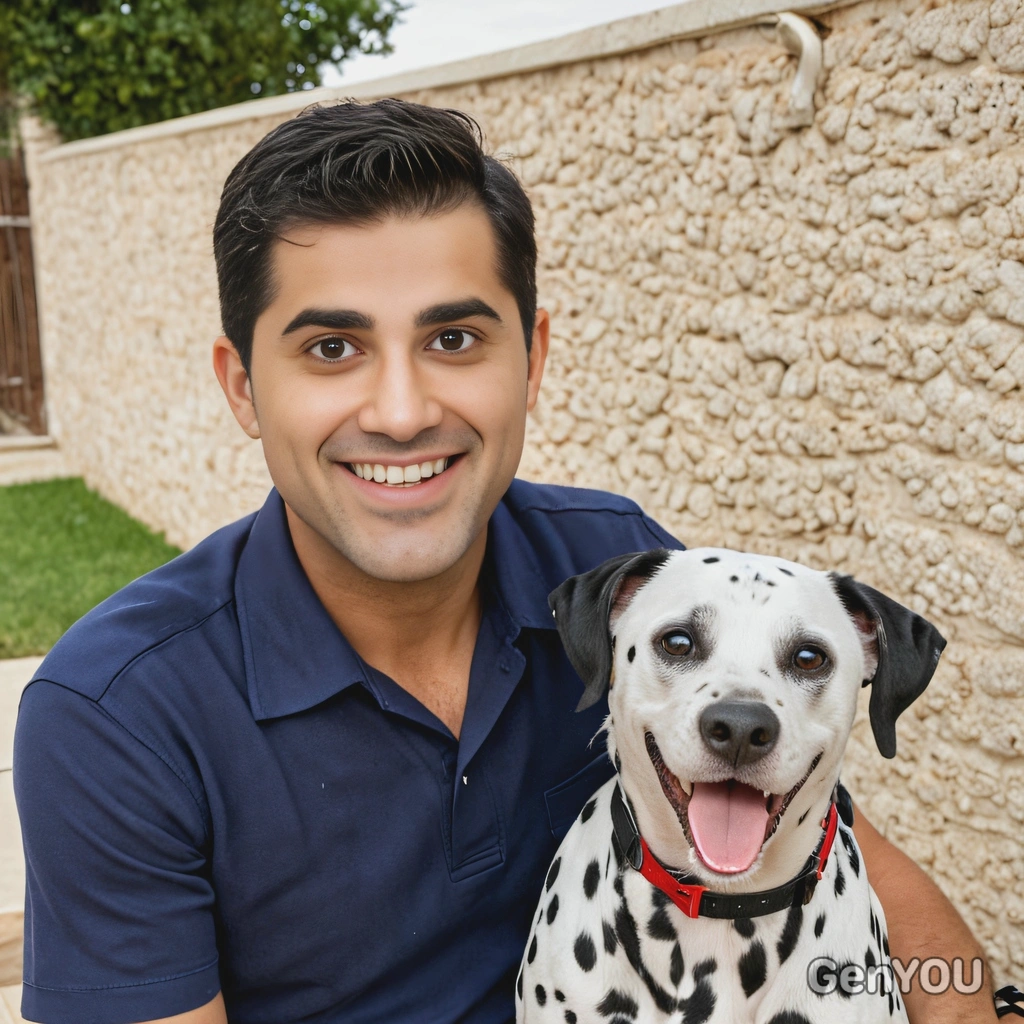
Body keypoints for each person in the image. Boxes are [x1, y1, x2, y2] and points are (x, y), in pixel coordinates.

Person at [13, 99, 996, 1024]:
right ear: (241, 387)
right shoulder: (116, 717)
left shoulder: (618, 566)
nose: (400, 412)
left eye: (452, 337)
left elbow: (839, 862)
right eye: (329, 349)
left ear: (531, 360)